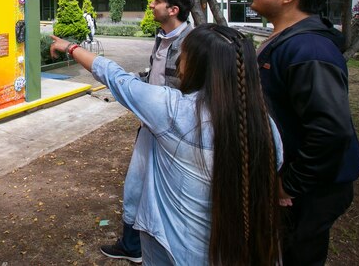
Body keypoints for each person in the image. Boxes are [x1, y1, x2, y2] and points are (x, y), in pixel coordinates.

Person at [50, 24, 282, 265]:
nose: (178, 63)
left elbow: (115, 76)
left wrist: (71, 47)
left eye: (182, 55)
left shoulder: (174, 111)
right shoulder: (263, 125)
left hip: (176, 253)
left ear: (197, 65)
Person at [251, 0, 359, 265]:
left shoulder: (309, 49)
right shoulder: (285, 40)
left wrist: (290, 184)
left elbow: (331, 131)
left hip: (310, 188)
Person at [101, 0, 195, 262]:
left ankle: (153, 248)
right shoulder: (162, 37)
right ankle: (132, 246)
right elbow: (155, 78)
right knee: (136, 187)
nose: (151, 5)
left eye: (157, 1)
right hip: (148, 128)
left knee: (166, 194)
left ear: (173, 9)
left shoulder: (191, 44)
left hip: (174, 135)